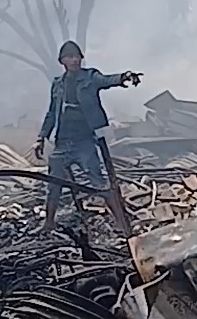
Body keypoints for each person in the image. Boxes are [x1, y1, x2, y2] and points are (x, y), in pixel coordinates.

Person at [32, 40, 141, 233]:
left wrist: (124, 77)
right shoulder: (58, 84)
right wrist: (41, 137)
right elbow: (51, 113)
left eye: (77, 56)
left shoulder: (90, 77)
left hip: (84, 143)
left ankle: (123, 226)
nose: (75, 60)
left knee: (100, 184)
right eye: (70, 57)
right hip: (62, 143)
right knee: (54, 184)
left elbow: (107, 80)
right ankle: (48, 223)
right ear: (62, 61)